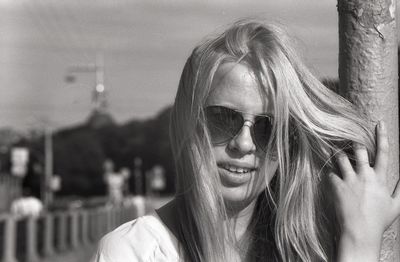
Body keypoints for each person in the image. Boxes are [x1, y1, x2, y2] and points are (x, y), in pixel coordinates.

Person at [91, 19, 400, 262]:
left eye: (267, 127)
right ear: (189, 120)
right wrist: (360, 249)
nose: (244, 143)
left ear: (286, 143)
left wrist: (359, 236)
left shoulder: (313, 247)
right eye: (223, 118)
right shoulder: (133, 252)